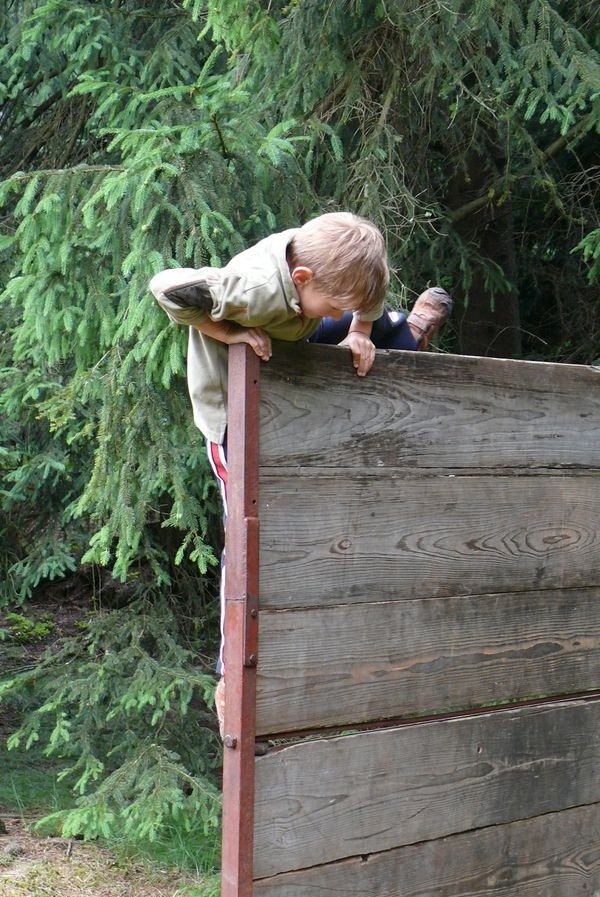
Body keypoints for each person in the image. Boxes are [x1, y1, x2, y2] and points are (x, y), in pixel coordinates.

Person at [149, 211, 452, 735]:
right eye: (336, 303)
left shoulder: (332, 279)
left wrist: (358, 328)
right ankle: (228, 672)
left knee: (378, 329)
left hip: (292, 333)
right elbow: (165, 287)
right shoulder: (251, 288)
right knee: (246, 537)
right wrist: (230, 332)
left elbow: (363, 297)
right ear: (301, 279)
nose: (342, 310)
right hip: (230, 410)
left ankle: (409, 332)